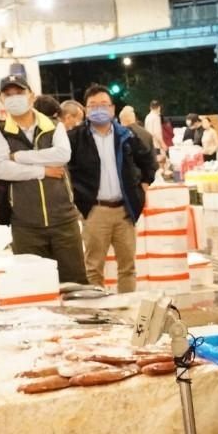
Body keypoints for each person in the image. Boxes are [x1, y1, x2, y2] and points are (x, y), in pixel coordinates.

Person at [0, 74, 87, 285]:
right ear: (2, 99)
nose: (14, 98)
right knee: (35, 287)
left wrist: (20, 157)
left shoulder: (53, 125)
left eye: (19, 93)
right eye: (8, 94)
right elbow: (2, 169)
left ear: (31, 96)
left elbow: (62, 155)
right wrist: (43, 171)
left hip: (64, 222)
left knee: (75, 284)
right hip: (26, 225)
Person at [68, 85, 155, 293]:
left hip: (124, 211)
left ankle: (127, 316)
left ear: (113, 109)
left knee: (127, 267)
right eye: (93, 105)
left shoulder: (127, 136)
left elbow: (148, 161)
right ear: (86, 110)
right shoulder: (75, 138)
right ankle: (99, 317)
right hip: (94, 210)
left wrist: (142, 189)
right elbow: (65, 171)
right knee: (93, 268)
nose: (99, 109)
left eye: (104, 105)